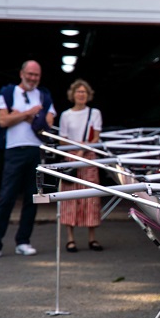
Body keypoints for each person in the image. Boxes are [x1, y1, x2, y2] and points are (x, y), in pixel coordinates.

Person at [0, 60, 56, 260]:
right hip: (14, 151)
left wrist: (18, 116)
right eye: (30, 74)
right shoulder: (7, 93)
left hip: (37, 151)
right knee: (6, 198)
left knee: (32, 198)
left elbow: (47, 126)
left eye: (36, 75)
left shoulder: (44, 96)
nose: (32, 78)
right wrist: (31, 114)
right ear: (21, 73)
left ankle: (23, 241)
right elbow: (3, 120)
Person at [58, 80, 104, 253]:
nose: (81, 95)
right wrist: (75, 148)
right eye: (79, 92)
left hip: (89, 157)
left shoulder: (94, 113)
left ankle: (92, 238)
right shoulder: (66, 115)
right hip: (70, 156)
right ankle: (70, 239)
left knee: (90, 198)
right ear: (73, 94)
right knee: (70, 198)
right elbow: (62, 139)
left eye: (84, 92)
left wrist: (83, 150)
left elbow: (96, 138)